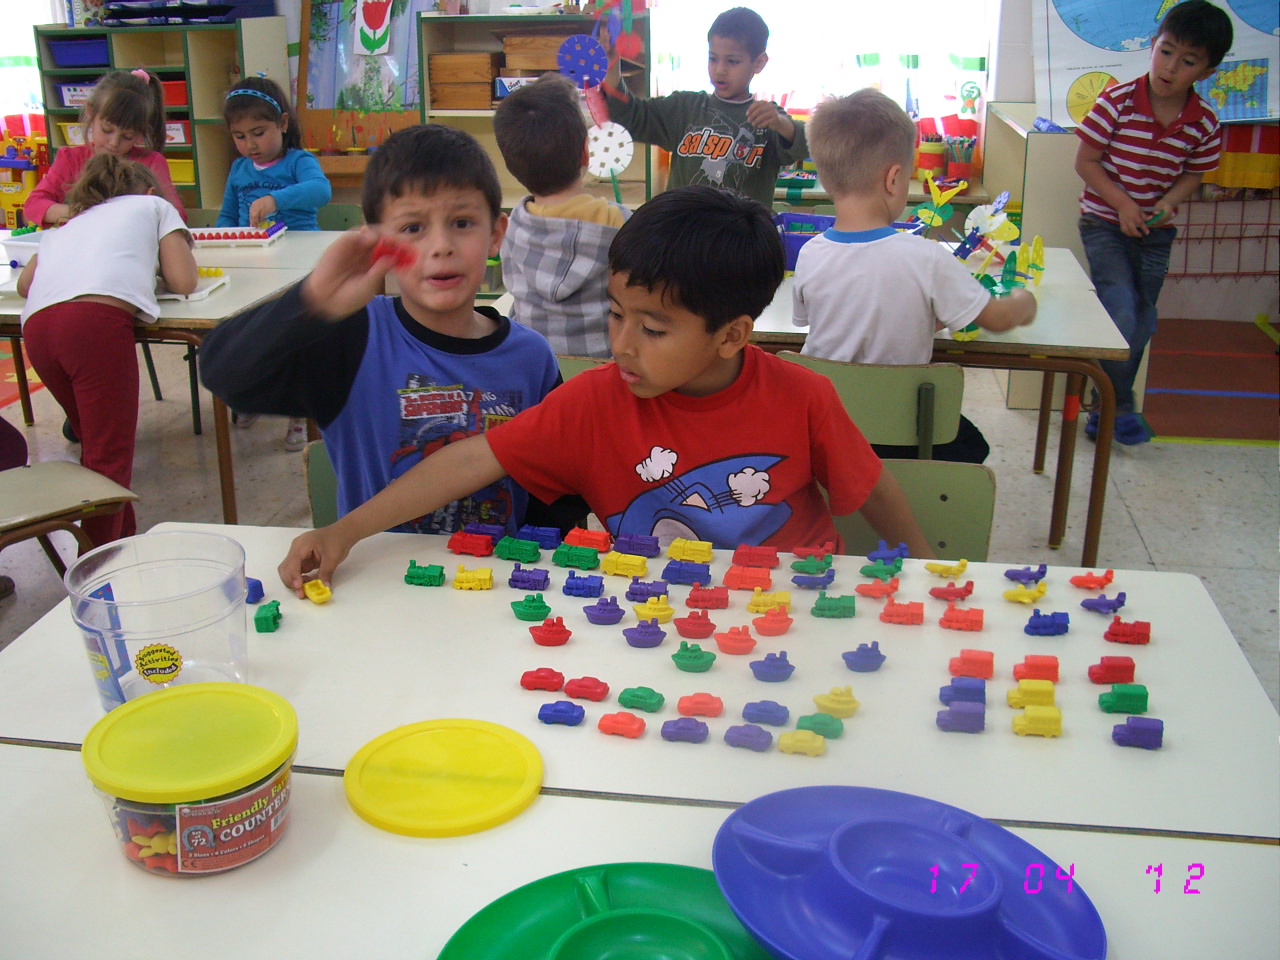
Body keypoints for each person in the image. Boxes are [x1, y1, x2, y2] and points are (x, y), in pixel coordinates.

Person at [277, 185, 933, 595]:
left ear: (732, 335)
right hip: (656, 612)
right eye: (616, 313)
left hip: (797, 606)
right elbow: (474, 458)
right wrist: (345, 531)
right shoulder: (596, 401)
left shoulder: (803, 397)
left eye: (651, 328)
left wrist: (924, 570)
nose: (620, 344)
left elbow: (869, 487)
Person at [200, 124, 568, 542]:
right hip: (377, 583)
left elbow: (554, 489)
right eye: (413, 228)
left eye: (462, 222)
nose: (441, 246)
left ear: (496, 234)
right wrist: (314, 300)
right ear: (377, 242)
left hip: (499, 591)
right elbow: (223, 373)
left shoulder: (531, 358)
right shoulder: (352, 338)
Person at [793, 88, 1036, 463]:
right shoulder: (926, 257)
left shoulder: (809, 255)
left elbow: (838, 320)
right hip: (903, 435)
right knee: (973, 445)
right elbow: (998, 320)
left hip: (826, 435)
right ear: (893, 179)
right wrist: (1023, 302)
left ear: (827, 180)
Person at [17, 154, 198, 546]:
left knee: (95, 444)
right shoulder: (155, 205)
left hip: (37, 330)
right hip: (93, 327)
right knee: (109, 459)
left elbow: (24, 285)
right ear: (150, 191)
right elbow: (184, 280)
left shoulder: (71, 223)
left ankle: (123, 535)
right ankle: (97, 565)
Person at [1074, 0, 1232, 445]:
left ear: (1206, 71)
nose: (1170, 67)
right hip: (1104, 223)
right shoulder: (1118, 101)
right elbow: (1085, 161)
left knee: (1142, 321)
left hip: (1155, 232)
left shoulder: (1203, 121)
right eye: (1166, 51)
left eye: (1187, 61)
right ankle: (1119, 407)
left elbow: (1195, 174)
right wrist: (1123, 204)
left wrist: (1168, 202)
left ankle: (1102, 409)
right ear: (1152, 45)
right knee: (1121, 307)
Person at [217, 74, 333, 452]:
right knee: (245, 334)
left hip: (298, 262)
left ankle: (299, 415)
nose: (250, 145)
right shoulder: (239, 171)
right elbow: (227, 218)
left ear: (283, 124)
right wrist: (216, 247)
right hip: (255, 265)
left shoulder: (299, 161)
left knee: (293, 339)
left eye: (259, 132)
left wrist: (275, 200)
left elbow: (321, 191)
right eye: (240, 137)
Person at [599, 6, 806, 208]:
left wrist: (781, 124)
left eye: (732, 61)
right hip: (685, 234)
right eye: (712, 58)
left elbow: (806, 142)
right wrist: (611, 63)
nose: (720, 70)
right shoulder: (684, 108)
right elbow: (628, 116)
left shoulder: (768, 118)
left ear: (759, 63)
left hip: (740, 239)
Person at [493, 73, 629, 358]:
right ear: (585, 153)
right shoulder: (621, 224)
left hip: (537, 373)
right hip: (605, 378)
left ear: (512, 165)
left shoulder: (513, 226)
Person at [24, 69, 185, 228]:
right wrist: (81, 213)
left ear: (140, 134)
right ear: (90, 112)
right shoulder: (70, 158)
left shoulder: (151, 162)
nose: (114, 143)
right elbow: (34, 205)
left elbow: (176, 216)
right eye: (107, 130)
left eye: (127, 136)